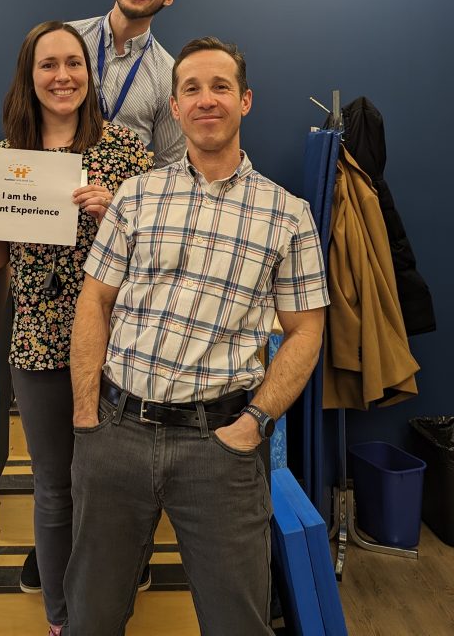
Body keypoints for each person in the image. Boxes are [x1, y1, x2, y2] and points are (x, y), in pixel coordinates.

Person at [64, 37, 330, 636]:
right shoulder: (136, 195)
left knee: (237, 622)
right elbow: (95, 301)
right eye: (191, 89)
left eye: (220, 87)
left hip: (221, 448)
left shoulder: (286, 214)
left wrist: (254, 423)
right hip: (116, 436)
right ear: (176, 107)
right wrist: (86, 413)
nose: (206, 100)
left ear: (245, 101)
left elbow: (307, 330)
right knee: (91, 616)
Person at [0, 21, 151, 636]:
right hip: (39, 345)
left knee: (112, 488)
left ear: (90, 74)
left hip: (119, 347)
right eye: (48, 65)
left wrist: (117, 213)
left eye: (74, 64)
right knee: (55, 489)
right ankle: (62, 618)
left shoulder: (127, 152)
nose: (63, 76)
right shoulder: (6, 158)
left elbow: (155, 254)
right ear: (29, 77)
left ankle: (110, 599)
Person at [19, 0, 189, 599]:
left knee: (113, 449)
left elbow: (176, 173)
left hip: (120, 265)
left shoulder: (169, 76)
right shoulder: (65, 40)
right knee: (56, 472)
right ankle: (59, 562)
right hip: (44, 272)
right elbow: (27, 135)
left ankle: (121, 555)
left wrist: (121, 199)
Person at [69, 0, 189, 169]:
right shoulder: (66, 40)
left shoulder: (170, 77)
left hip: (121, 204)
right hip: (46, 197)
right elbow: (24, 116)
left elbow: (168, 169)